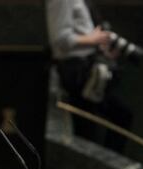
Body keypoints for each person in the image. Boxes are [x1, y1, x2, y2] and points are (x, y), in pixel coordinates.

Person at [46, 0, 133, 153]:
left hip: (88, 66)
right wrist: (94, 39)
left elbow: (82, 32)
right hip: (76, 70)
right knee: (89, 127)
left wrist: (100, 46)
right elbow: (59, 39)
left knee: (91, 127)